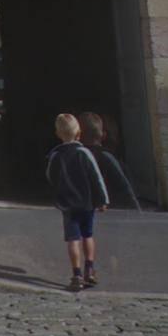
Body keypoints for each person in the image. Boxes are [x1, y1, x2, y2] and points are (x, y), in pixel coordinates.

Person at [45, 112, 109, 290]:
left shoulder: (56, 155)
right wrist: (102, 199)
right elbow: (96, 177)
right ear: (79, 133)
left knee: (73, 239)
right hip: (87, 202)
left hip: (68, 204)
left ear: (58, 134)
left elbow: (50, 176)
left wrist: (60, 188)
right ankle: (90, 268)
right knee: (88, 234)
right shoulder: (84, 153)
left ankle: (77, 274)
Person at [80, 111, 142, 211]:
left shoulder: (75, 158)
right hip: (113, 210)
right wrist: (136, 209)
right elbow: (127, 189)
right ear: (103, 135)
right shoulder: (110, 159)